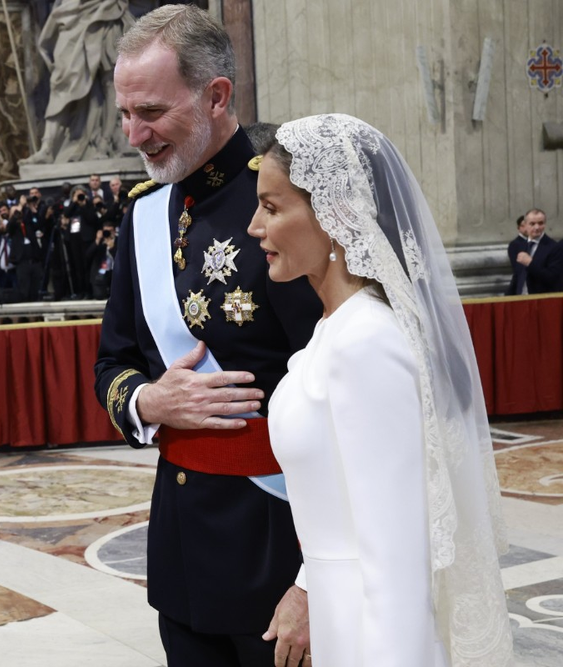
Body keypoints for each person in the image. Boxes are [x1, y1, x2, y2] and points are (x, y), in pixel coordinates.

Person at [93, 6, 321, 666]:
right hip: (182, 550)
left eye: (153, 112)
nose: (135, 134)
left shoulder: (285, 202)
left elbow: (347, 397)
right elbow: (113, 361)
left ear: (216, 96)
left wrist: (316, 577)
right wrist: (146, 403)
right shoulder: (143, 214)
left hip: (278, 543)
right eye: (125, 113)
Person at [248, 114, 513, 666]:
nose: (254, 225)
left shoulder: (366, 340)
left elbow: (397, 559)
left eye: (272, 208)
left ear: (334, 215)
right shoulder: (336, 329)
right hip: (341, 614)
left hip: (375, 632)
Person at [22, 0, 135, 164]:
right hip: (72, 11)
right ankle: (47, 147)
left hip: (107, 10)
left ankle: (105, 142)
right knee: (61, 82)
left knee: (111, 82)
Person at [515, 208, 559, 294]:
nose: (537, 227)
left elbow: (553, 278)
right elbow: (517, 275)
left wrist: (530, 263)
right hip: (520, 299)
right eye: (532, 224)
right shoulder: (521, 245)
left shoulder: (553, 247)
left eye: (540, 223)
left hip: (541, 300)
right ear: (525, 225)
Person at [505, 214, 529, 295]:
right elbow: (517, 268)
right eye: (523, 226)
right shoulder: (515, 244)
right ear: (519, 228)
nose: (526, 228)